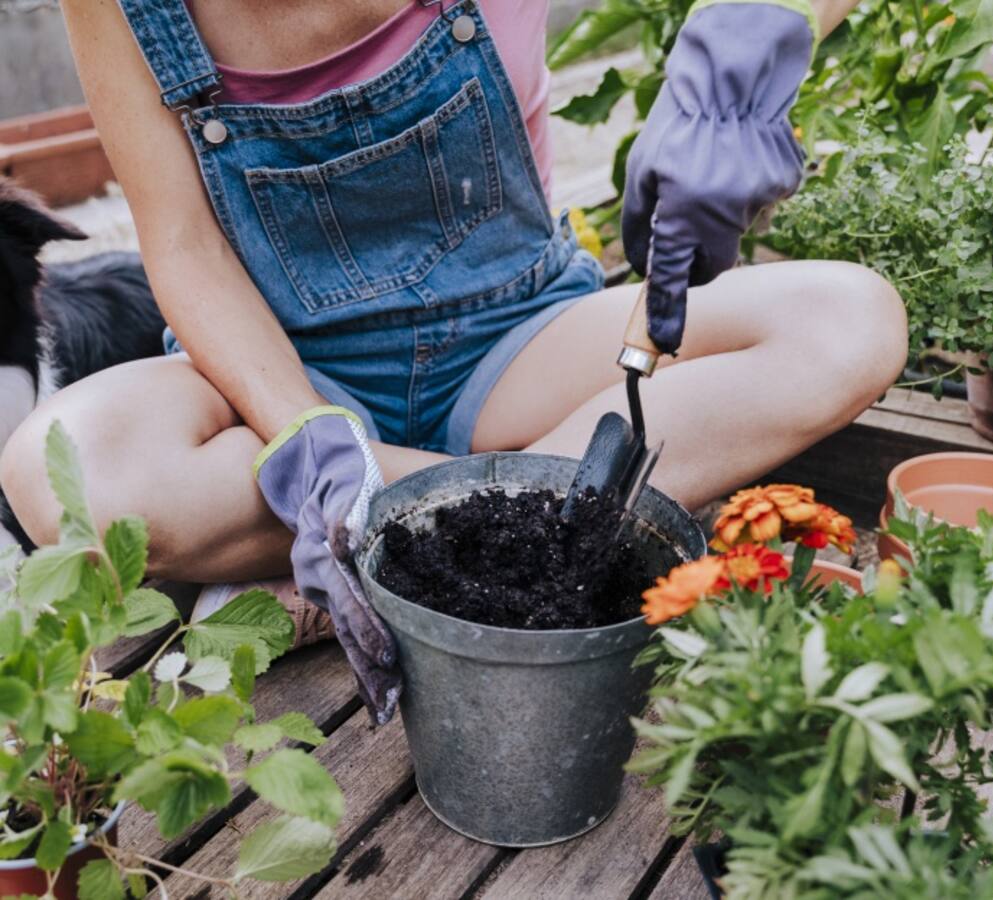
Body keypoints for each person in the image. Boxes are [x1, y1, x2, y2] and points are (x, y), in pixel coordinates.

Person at [1, 0, 906, 724]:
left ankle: (385, 545)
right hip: (275, 385)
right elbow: (184, 247)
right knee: (62, 470)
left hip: (510, 346)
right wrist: (309, 434)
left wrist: (754, 34)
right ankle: (530, 518)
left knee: (846, 323)